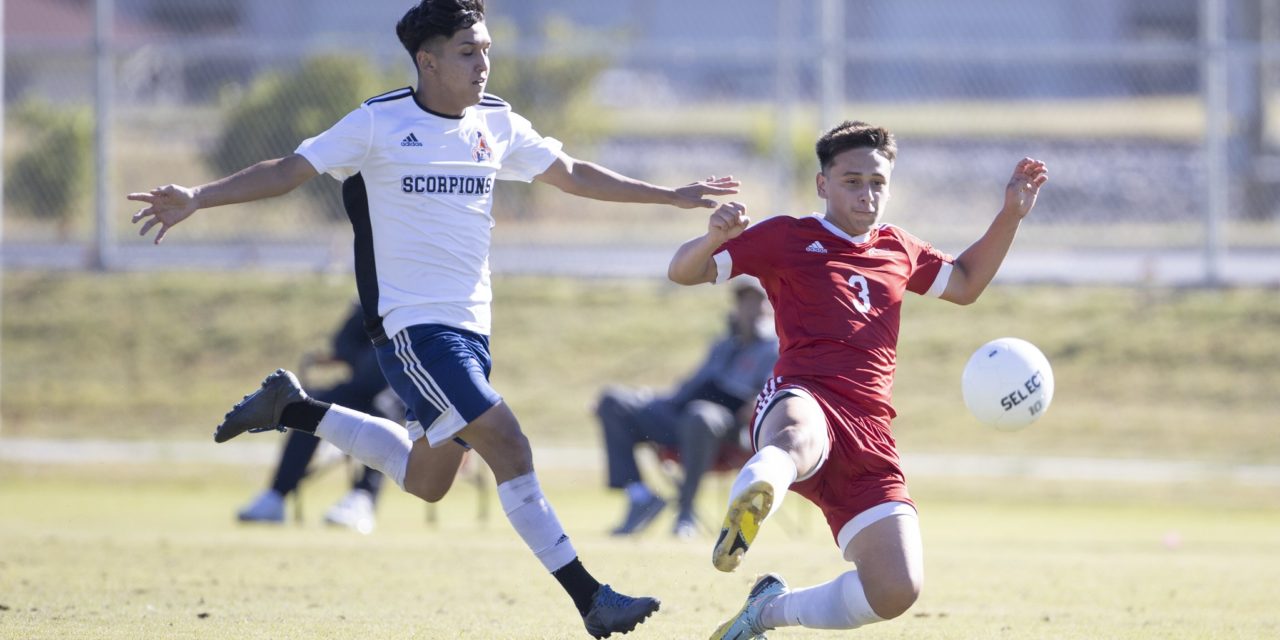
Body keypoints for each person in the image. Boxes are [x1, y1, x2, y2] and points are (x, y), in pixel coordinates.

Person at [128, 2, 739, 636]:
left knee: (428, 479)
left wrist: (671, 195)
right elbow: (288, 170)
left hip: (472, 329)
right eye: (469, 51)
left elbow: (573, 174)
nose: (484, 63)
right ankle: (591, 599)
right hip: (411, 327)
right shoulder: (377, 122)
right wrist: (199, 196)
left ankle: (294, 409)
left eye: (487, 49)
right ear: (428, 59)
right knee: (509, 441)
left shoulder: (496, 122)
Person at [667, 121, 1047, 638]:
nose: (867, 194)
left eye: (877, 183)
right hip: (803, 397)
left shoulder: (898, 248)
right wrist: (714, 236)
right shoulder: (787, 237)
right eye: (852, 181)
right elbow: (683, 272)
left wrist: (1011, 214)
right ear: (823, 184)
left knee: (897, 589)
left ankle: (767, 611)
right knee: (798, 438)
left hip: (870, 434)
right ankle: (756, 491)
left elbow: (965, 283)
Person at [236, 303, 471, 534]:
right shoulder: (375, 299)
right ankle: (277, 495)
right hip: (360, 386)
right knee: (308, 410)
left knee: (383, 411)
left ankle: (363, 498)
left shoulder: (428, 303)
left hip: (404, 390)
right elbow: (343, 341)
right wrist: (373, 358)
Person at [597, 277, 777, 539]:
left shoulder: (775, 348)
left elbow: (769, 396)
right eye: (743, 302)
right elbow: (691, 387)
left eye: (756, 301)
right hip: (681, 415)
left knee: (700, 416)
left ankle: (685, 513)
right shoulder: (723, 345)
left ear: (770, 307)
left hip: (728, 429)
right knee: (614, 401)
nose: (749, 309)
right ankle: (640, 495)